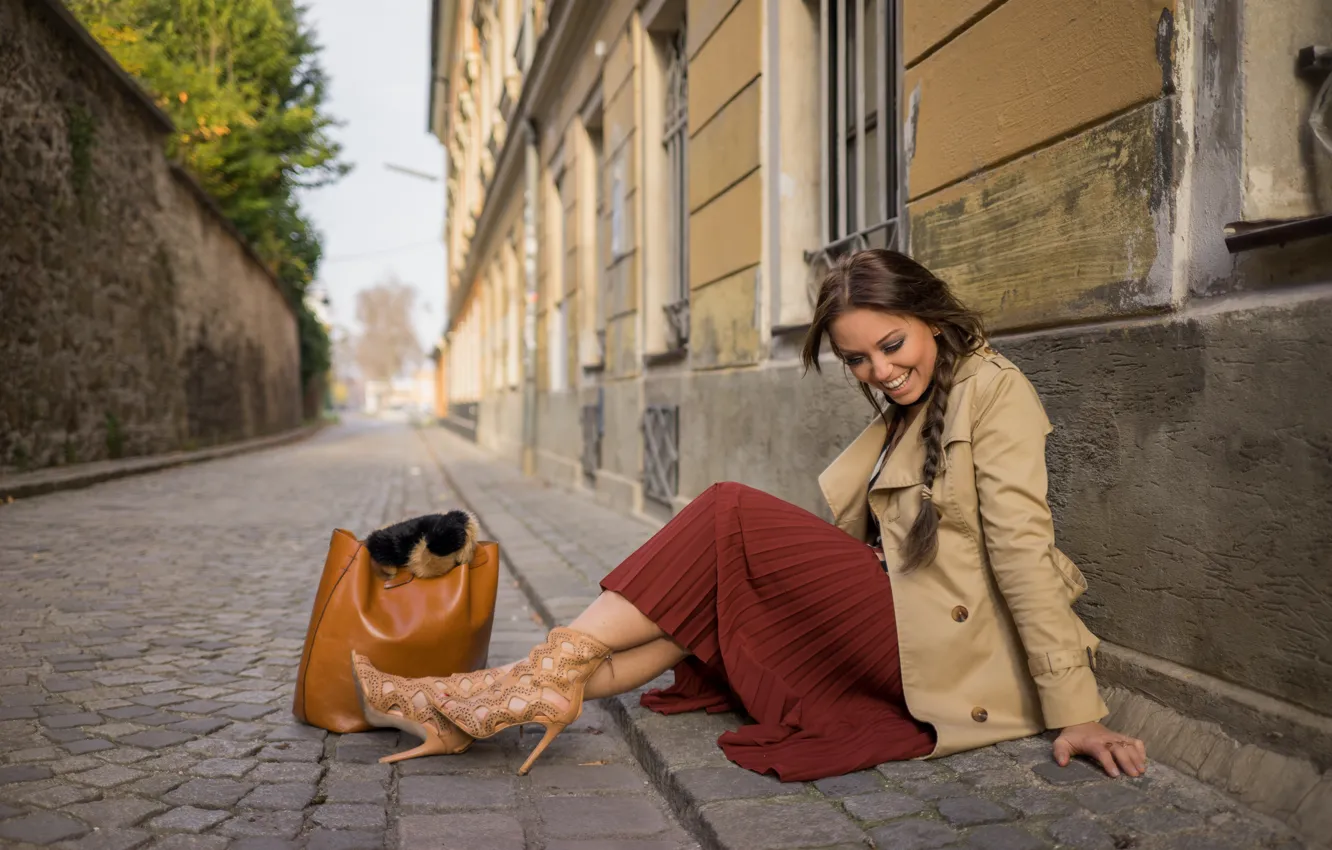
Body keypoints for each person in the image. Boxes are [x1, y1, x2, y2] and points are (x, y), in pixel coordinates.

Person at [350, 249, 1148, 782]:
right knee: (699, 595)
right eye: (859, 361)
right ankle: (479, 702)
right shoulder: (915, 402)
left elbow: (1020, 550)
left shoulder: (995, 390)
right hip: (897, 614)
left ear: (931, 315)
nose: (881, 369)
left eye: (893, 345)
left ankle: (521, 683)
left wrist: (1076, 711)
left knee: (727, 511)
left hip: (943, 644)